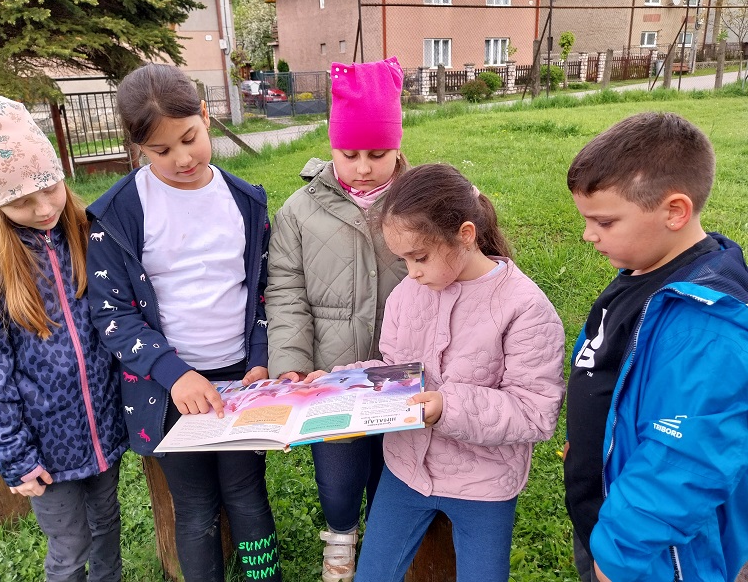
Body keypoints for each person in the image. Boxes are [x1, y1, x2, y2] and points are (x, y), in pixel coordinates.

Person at [307, 164, 566, 582]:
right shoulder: (407, 294)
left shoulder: (526, 308)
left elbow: (535, 412)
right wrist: (338, 382)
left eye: (420, 257)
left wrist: (447, 407)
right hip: (406, 471)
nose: (411, 271)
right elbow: (396, 371)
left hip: (484, 484)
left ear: (466, 235)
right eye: (404, 259)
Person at [85, 63, 280, 582]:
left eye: (189, 138)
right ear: (138, 149)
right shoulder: (118, 213)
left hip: (240, 379)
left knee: (247, 493)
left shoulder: (246, 201)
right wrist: (175, 375)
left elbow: (264, 289)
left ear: (205, 116)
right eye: (161, 150)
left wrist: (261, 358)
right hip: (167, 388)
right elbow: (112, 314)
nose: (183, 159)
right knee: (194, 508)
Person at [0, 96, 127, 582]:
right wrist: (13, 453)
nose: (45, 208)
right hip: (42, 444)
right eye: (22, 201)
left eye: (50, 188)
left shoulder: (84, 230)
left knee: (107, 524)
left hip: (102, 426)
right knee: (69, 547)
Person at [563, 112, 748, 582]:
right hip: (606, 517)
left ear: (674, 212)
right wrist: (588, 442)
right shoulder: (643, 272)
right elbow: (607, 362)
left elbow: (685, 459)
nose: (588, 235)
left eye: (604, 221)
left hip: (651, 554)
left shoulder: (704, 327)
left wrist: (619, 553)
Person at [264, 56, 409, 581]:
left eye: (378, 154)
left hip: (401, 375)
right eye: (350, 154)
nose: (363, 167)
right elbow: (285, 291)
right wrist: (291, 360)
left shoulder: (419, 202)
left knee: (395, 471)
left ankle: (388, 543)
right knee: (339, 475)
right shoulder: (298, 211)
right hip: (330, 375)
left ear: (398, 145)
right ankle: (341, 539)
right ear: (332, 146)